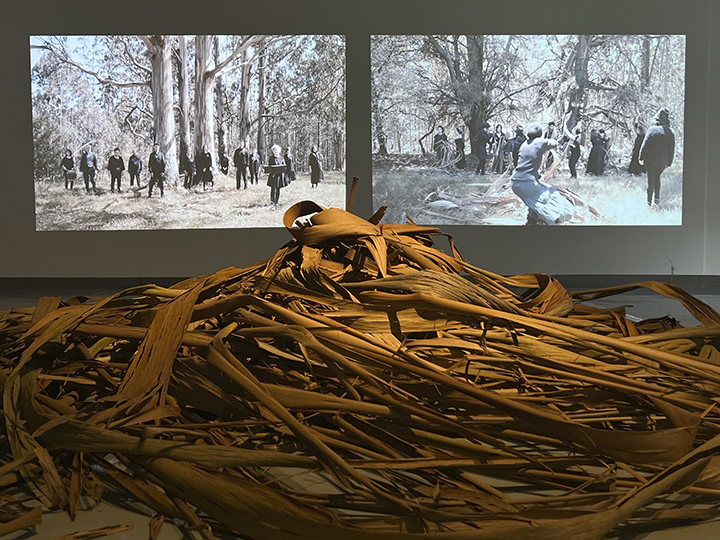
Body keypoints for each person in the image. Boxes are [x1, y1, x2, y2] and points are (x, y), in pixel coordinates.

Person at [510, 122, 573, 226]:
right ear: (540, 133)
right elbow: (554, 143)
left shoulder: (524, 144)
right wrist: (561, 137)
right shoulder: (539, 142)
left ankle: (531, 221)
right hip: (527, 183)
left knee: (534, 200)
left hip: (515, 182)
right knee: (551, 195)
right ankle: (551, 221)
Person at [640, 107, 675, 207]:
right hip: (662, 162)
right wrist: (669, 163)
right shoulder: (670, 132)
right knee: (657, 179)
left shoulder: (652, 130)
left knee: (651, 180)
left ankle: (648, 202)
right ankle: (657, 199)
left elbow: (645, 145)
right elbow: (671, 149)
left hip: (650, 161)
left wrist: (641, 157)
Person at [266, 144, 289, 209]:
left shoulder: (281, 158)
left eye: (276, 150)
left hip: (279, 176)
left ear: (278, 150)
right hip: (273, 176)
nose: (275, 151)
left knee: (278, 189)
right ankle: (272, 201)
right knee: (273, 189)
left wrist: (282, 164)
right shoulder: (271, 158)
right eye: (273, 150)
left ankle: (276, 202)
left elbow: (284, 166)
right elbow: (270, 167)